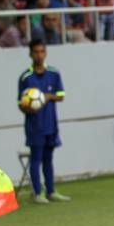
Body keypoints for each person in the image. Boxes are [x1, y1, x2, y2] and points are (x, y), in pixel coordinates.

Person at [17, 39, 71, 204]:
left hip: (51, 124)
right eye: (36, 52)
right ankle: (37, 193)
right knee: (36, 158)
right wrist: (29, 108)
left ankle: (51, 191)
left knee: (49, 158)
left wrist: (48, 97)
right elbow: (20, 104)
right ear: (30, 54)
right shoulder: (25, 77)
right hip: (35, 126)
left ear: (45, 53)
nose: (39, 55)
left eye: (41, 51)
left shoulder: (54, 73)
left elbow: (61, 96)